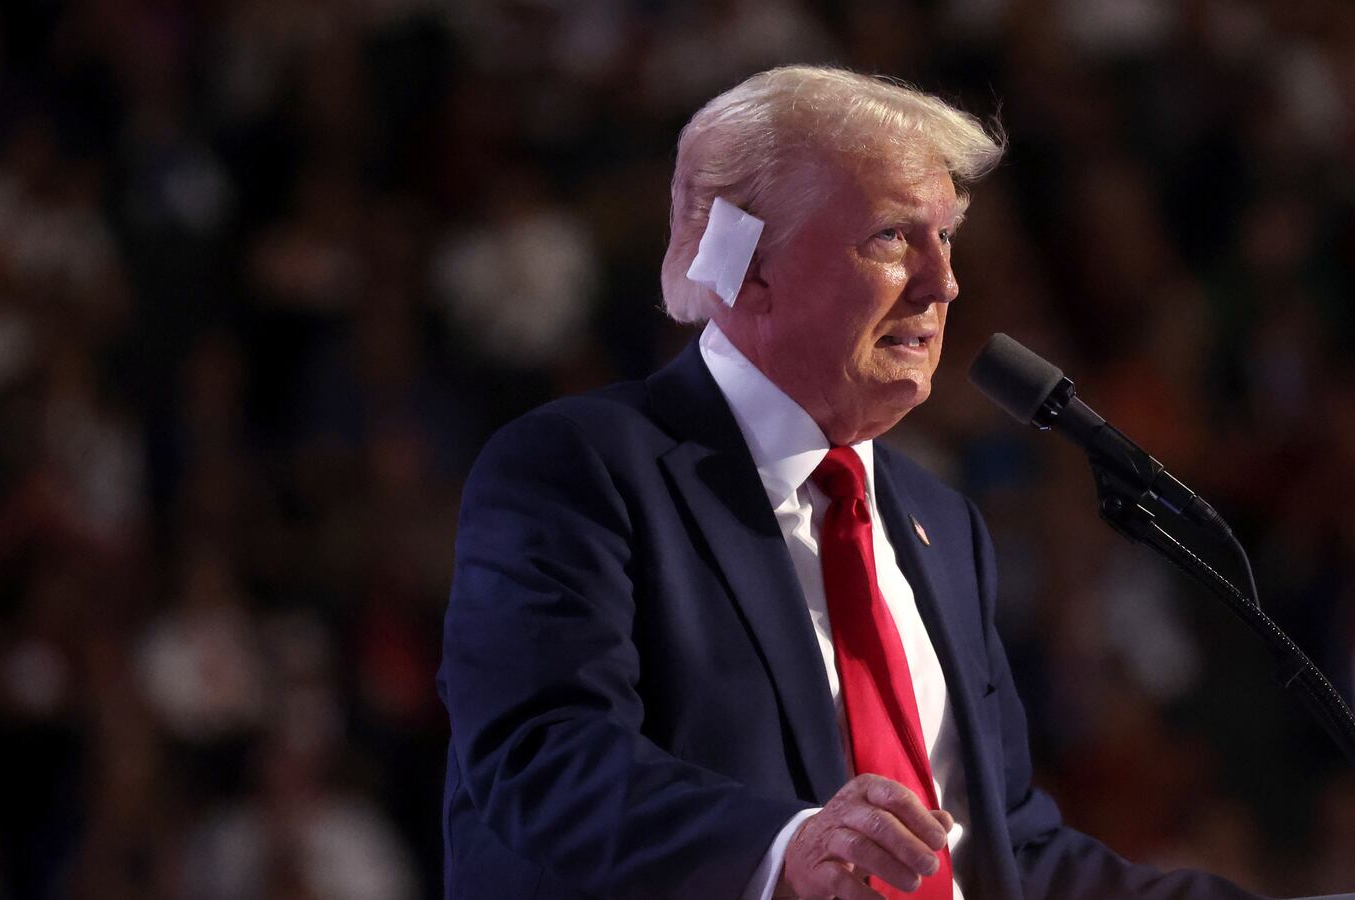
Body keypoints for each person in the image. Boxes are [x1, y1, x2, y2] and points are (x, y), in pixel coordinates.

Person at [438, 66, 1260, 900]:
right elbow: (539, 756)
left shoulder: (944, 526)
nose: (944, 284)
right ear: (749, 264)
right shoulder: (580, 469)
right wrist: (784, 849)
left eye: (947, 239)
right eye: (894, 238)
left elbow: (1005, 850)